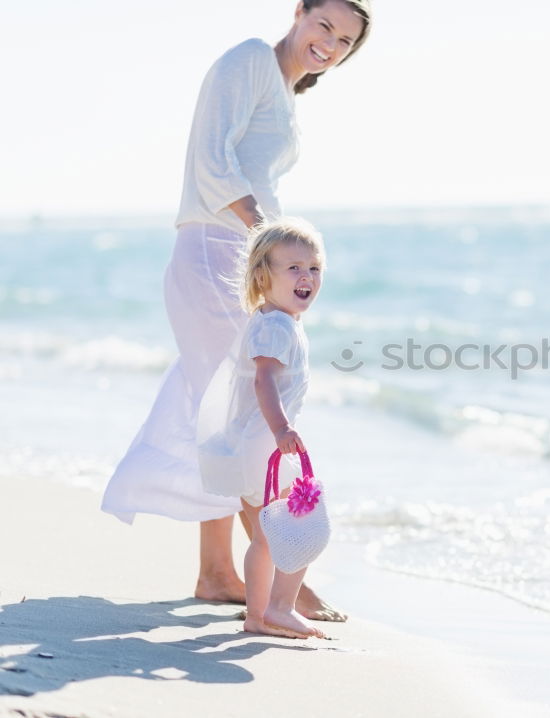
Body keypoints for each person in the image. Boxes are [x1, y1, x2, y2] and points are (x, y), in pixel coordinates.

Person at [101, 0, 371, 621]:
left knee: (220, 412)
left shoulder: (285, 92)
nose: (330, 44)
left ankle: (218, 573)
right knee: (247, 414)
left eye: (345, 41)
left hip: (235, 250)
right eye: (324, 25)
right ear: (299, 11)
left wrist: (264, 244)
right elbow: (210, 158)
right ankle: (283, 585)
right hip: (218, 250)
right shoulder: (250, 59)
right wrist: (264, 236)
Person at [198, 218, 327, 638]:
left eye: (314, 267)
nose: (306, 276)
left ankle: (258, 616)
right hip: (264, 442)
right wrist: (282, 428)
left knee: (265, 538)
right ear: (262, 275)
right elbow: (263, 380)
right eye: (293, 267)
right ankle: (280, 607)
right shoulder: (275, 325)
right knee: (299, 527)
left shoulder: (272, 319)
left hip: (252, 442)